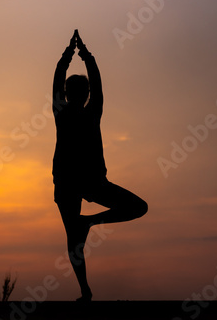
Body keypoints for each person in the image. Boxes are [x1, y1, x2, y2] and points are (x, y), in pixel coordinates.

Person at [52, 30, 148, 301]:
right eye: (75, 91)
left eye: (80, 91)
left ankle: (89, 224)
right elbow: (64, 82)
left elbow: (84, 83)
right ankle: (85, 291)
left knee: (137, 208)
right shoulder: (66, 111)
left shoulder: (89, 112)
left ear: (83, 94)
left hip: (91, 181)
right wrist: (79, 55)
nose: (76, 94)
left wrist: (74, 55)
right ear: (73, 93)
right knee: (74, 238)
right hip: (72, 183)